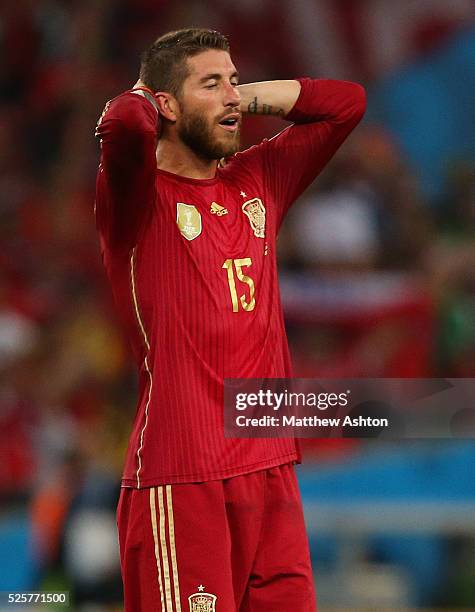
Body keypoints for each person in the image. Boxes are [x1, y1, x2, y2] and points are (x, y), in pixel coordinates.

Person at [95, 27, 365, 612]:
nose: (230, 98)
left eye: (234, 82)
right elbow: (122, 123)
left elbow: (346, 105)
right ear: (165, 103)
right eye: (211, 84)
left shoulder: (258, 179)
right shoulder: (136, 199)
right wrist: (153, 92)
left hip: (270, 463)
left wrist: (245, 94)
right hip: (183, 470)